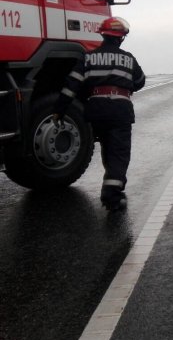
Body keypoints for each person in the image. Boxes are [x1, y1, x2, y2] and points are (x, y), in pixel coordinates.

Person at [52, 16, 146, 211]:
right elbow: (140, 81)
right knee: (119, 153)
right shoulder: (128, 58)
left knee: (107, 147)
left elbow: (71, 86)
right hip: (121, 110)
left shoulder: (87, 57)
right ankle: (112, 195)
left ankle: (111, 187)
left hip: (96, 110)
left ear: (102, 35)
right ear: (121, 38)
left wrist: (59, 111)